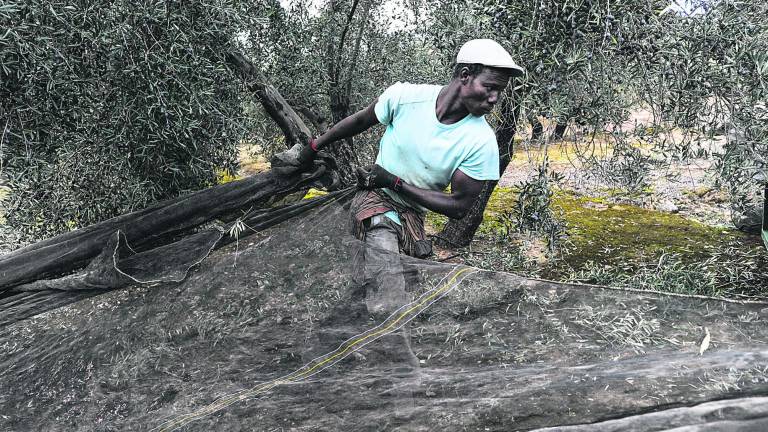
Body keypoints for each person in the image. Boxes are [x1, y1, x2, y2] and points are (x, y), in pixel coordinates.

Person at [292, 39, 523, 368]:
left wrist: (395, 181)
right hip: (374, 202)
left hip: (411, 216)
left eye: (500, 92)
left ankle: (321, 350)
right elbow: (360, 120)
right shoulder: (407, 97)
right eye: (489, 88)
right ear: (464, 74)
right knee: (389, 295)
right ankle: (406, 373)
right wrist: (313, 146)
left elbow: (458, 206)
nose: (494, 98)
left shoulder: (480, 141)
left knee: (364, 288)